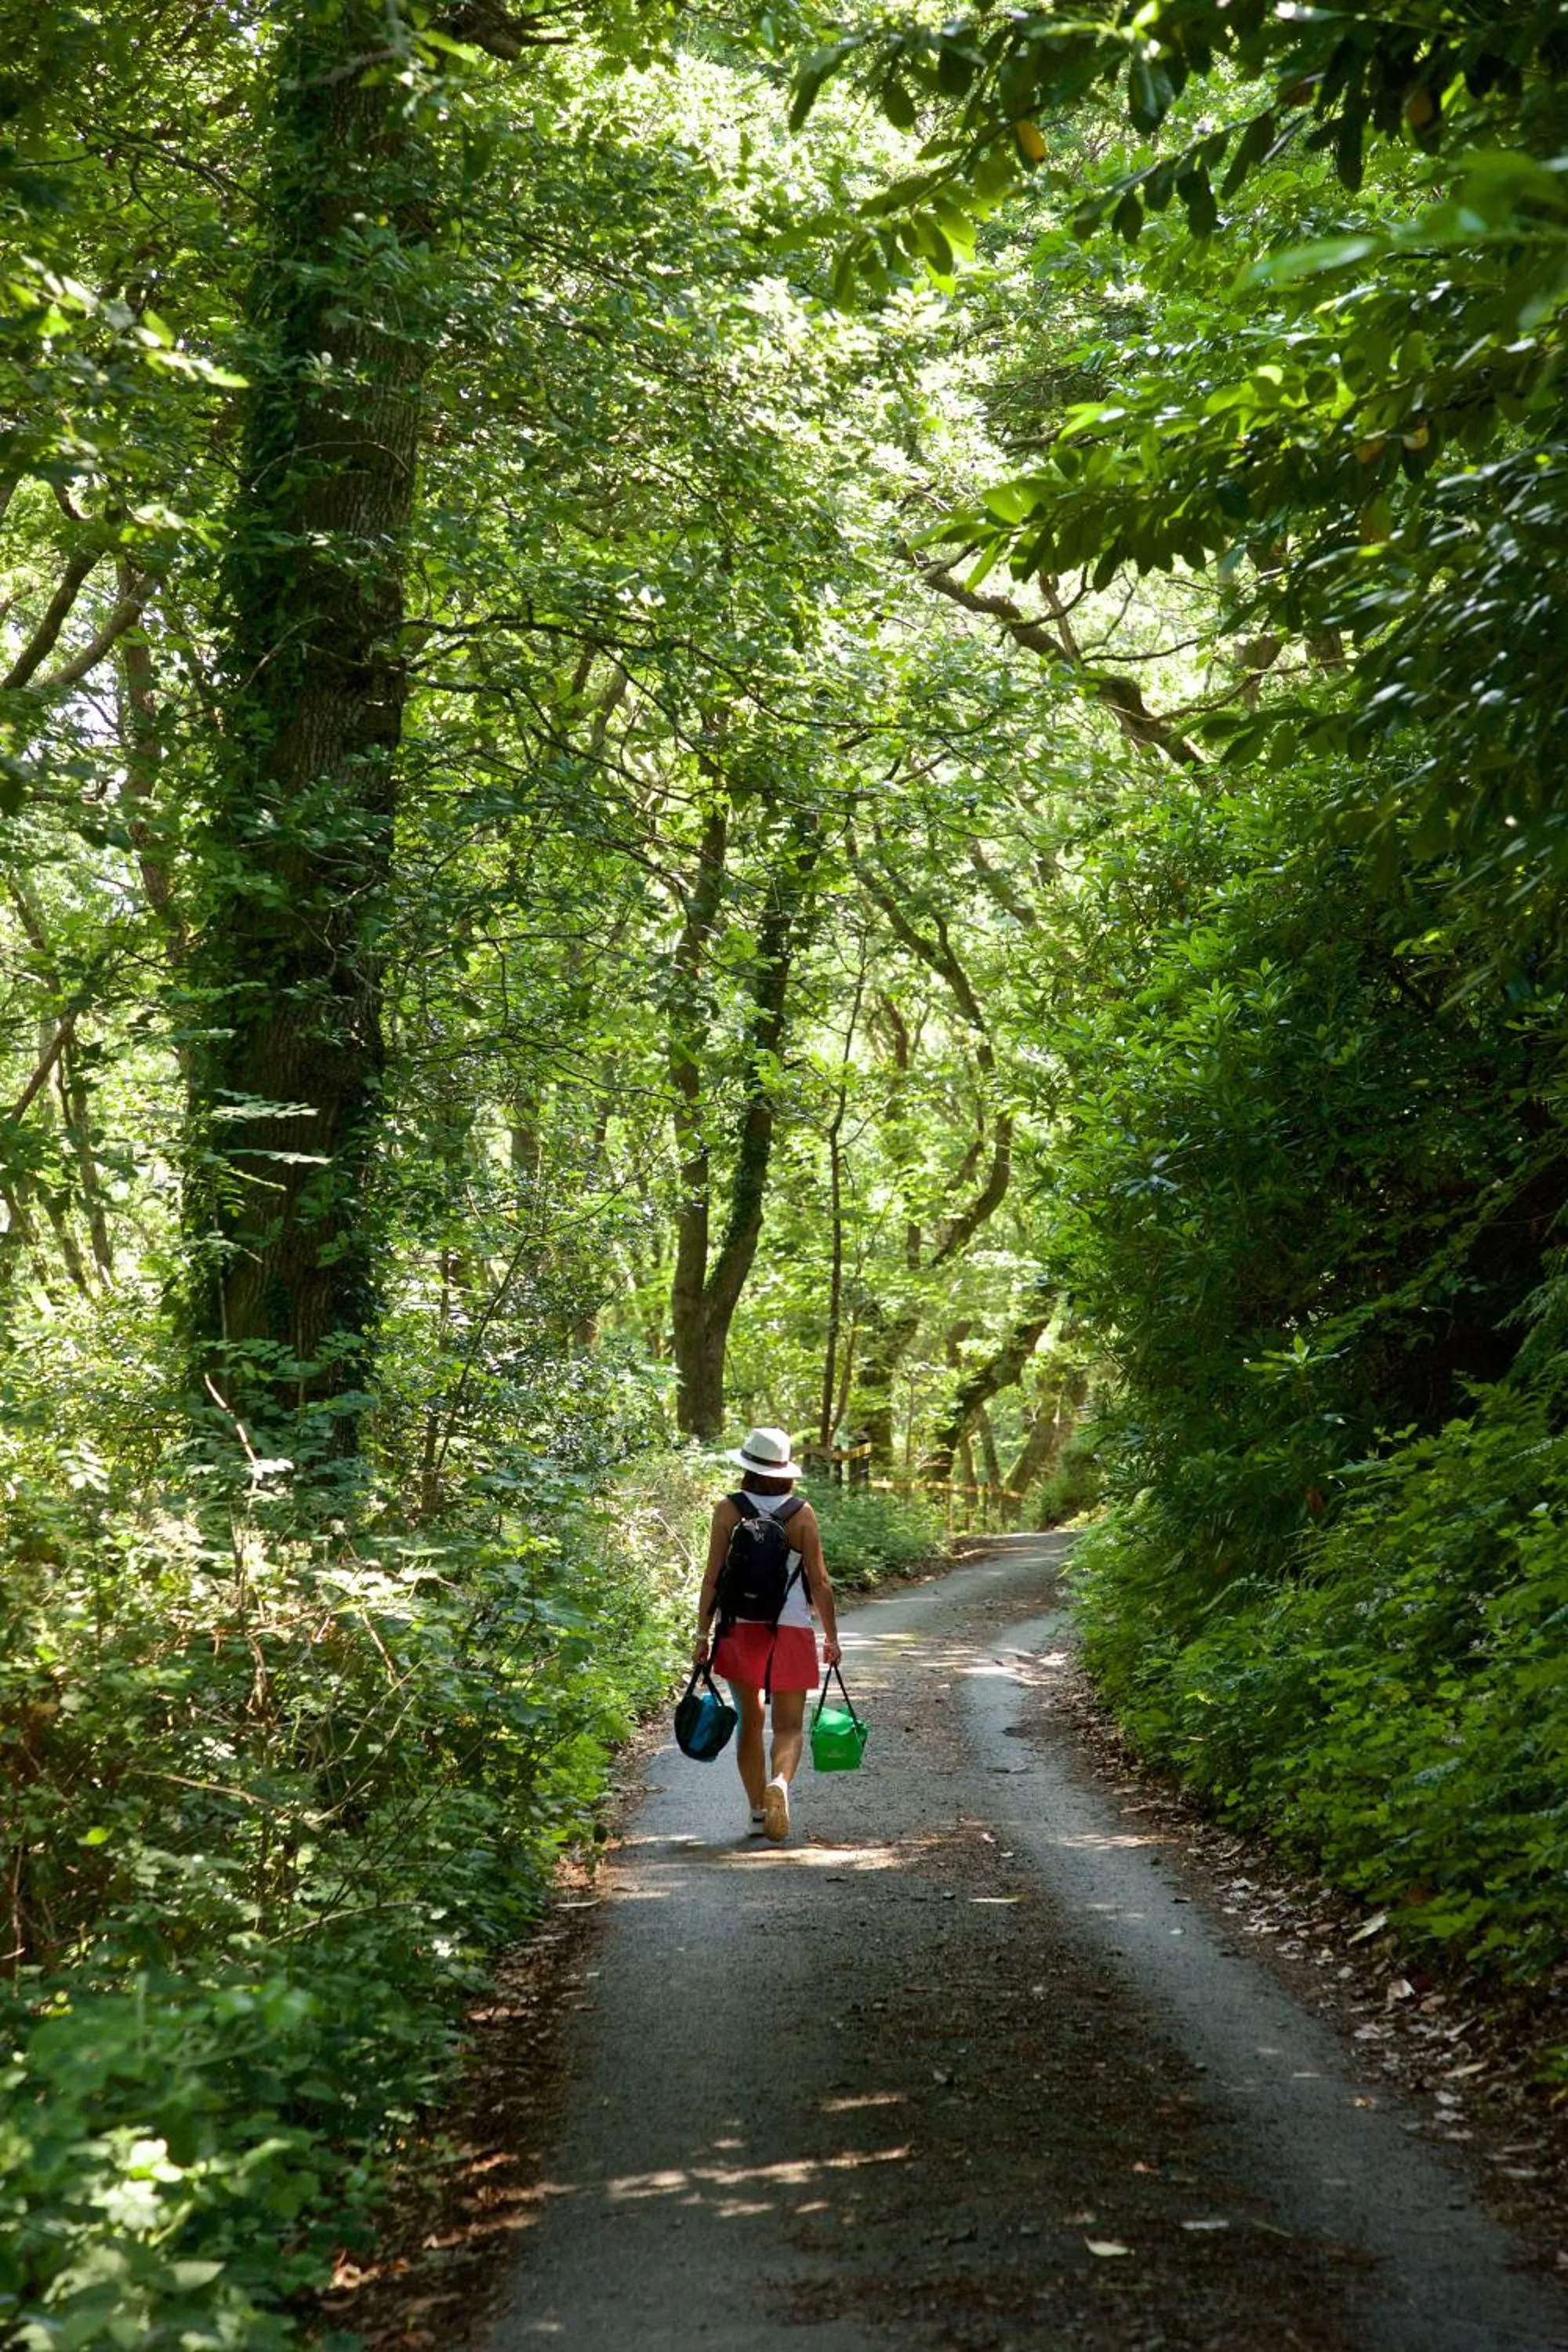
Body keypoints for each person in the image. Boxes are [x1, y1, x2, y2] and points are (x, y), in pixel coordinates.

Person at [692, 1425, 841, 1842]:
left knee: (750, 1722)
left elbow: (712, 1578)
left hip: (739, 1627)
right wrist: (831, 1637)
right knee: (790, 1726)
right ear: (786, 1469)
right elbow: (821, 1581)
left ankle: (758, 1811)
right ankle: (780, 1783)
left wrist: (702, 1634)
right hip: (790, 1628)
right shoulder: (801, 1513)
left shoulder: (728, 1510)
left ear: (748, 1466)